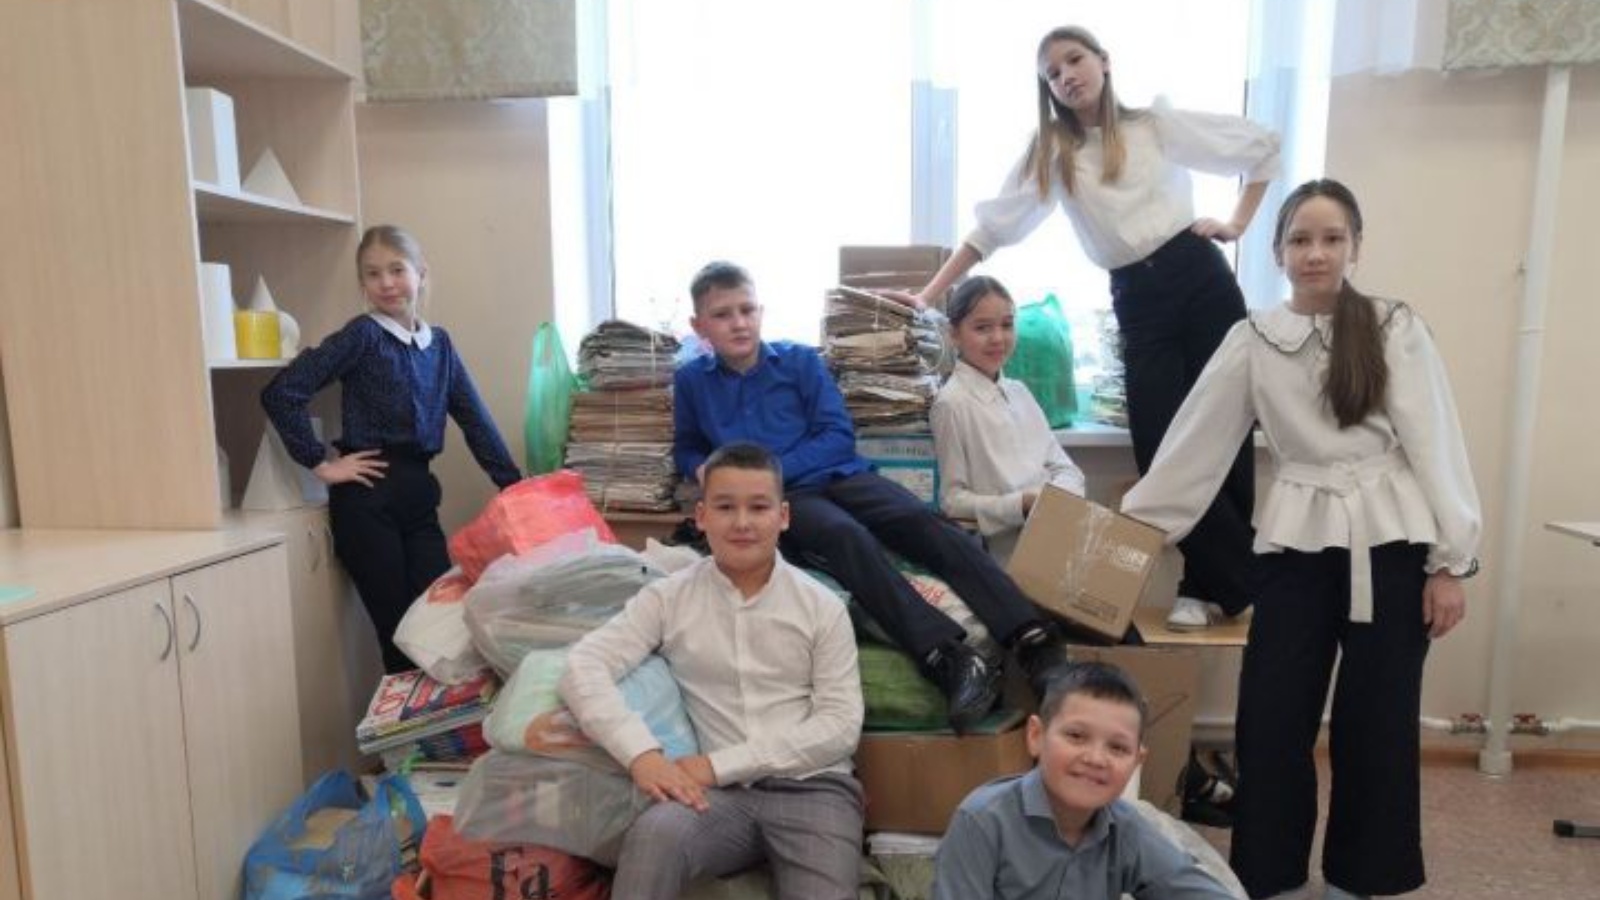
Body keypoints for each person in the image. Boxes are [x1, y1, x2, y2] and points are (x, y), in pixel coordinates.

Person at [1120, 179, 1482, 900]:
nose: (1316, 253)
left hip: (1390, 545)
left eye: (1332, 238)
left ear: (1355, 247)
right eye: (1300, 240)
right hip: (1294, 547)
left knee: (1376, 720)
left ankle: (1362, 875)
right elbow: (1194, 447)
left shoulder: (1394, 327)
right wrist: (1128, 534)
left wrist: (1451, 563)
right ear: (1278, 252)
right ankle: (1270, 872)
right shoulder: (1252, 339)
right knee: (1271, 716)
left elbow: (1437, 446)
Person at [898, 25, 1279, 632]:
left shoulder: (1154, 126)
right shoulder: (1055, 155)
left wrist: (1235, 225)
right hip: (1139, 299)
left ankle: (1204, 585)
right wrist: (925, 295)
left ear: (1104, 60)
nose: (1066, 76)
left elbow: (1262, 149)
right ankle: (1244, 579)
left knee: (1226, 429)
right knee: (1160, 443)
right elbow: (992, 230)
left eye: (1074, 60)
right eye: (1052, 73)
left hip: (1200, 277)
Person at [673, 261, 1071, 733]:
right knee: (846, 537)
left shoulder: (799, 361)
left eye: (746, 309)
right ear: (699, 326)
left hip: (840, 475)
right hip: (788, 499)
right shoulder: (692, 381)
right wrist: (700, 466)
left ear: (761, 310)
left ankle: (1034, 640)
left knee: (921, 520)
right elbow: (688, 445)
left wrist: (767, 473)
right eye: (722, 315)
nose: (738, 323)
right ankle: (948, 658)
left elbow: (837, 435)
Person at [559, 442, 864, 900]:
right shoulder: (669, 597)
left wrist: (716, 766)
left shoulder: (821, 607)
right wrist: (641, 755)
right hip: (718, 799)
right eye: (725, 507)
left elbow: (840, 726)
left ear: (782, 516)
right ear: (701, 516)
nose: (742, 522)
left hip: (814, 789)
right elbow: (583, 665)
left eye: (758, 507)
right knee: (656, 836)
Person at [261, 225, 521, 673]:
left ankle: (438, 718)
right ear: (362, 283)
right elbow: (282, 392)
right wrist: (320, 462)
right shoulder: (363, 335)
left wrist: (513, 485)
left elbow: (474, 419)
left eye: (397, 270)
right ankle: (406, 722)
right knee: (399, 637)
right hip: (367, 501)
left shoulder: (439, 346)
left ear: (421, 274)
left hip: (419, 497)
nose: (386, 283)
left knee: (440, 626)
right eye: (373, 273)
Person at [932, 661, 1238, 900]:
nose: (1095, 758)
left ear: (1136, 761)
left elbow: (1195, 890)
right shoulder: (982, 821)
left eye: (1117, 748)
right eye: (1076, 736)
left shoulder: (1126, 829)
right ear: (1036, 736)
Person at [930, 275, 1086, 564]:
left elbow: (1066, 469)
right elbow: (953, 502)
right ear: (954, 334)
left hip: (1057, 532)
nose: (998, 338)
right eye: (982, 328)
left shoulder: (1019, 392)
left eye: (1006, 325)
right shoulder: (951, 404)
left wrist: (1053, 500)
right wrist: (1020, 505)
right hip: (1008, 554)